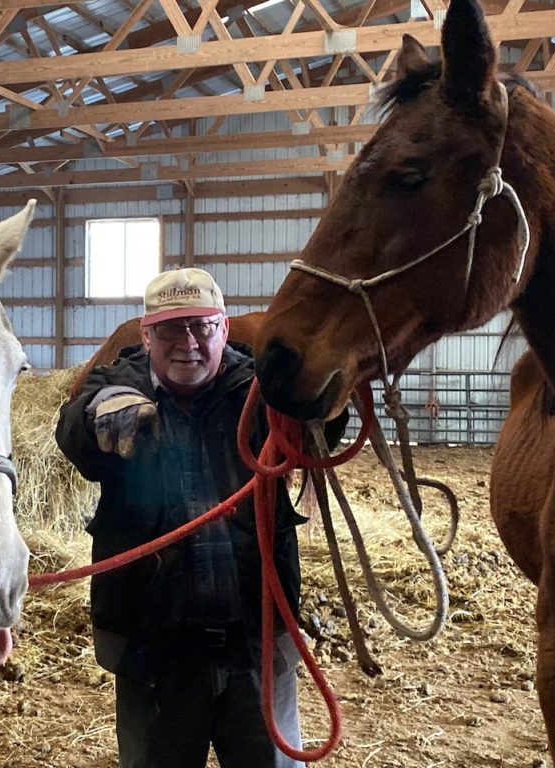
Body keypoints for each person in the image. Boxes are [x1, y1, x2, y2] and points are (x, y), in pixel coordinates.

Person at [55, 267, 346, 768]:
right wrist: (100, 414)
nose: (186, 342)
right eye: (170, 328)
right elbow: (75, 432)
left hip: (255, 643)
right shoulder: (116, 386)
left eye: (201, 326)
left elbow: (320, 430)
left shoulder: (261, 391)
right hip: (155, 655)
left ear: (223, 329)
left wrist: (335, 383)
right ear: (146, 335)